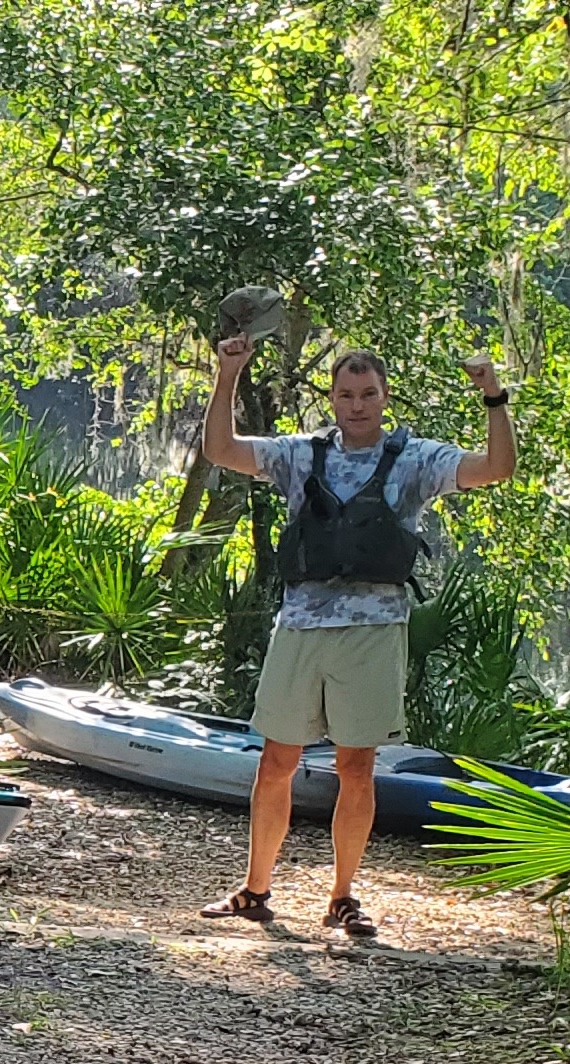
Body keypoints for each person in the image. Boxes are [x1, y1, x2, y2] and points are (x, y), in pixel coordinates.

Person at [190, 338, 516, 941]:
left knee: (356, 767)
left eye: (368, 395)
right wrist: (229, 371)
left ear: (385, 397)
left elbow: (496, 469)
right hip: (301, 626)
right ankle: (255, 889)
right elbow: (220, 449)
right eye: (346, 394)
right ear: (333, 398)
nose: (357, 405)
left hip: (372, 632)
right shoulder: (300, 455)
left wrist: (492, 395)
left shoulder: (415, 459)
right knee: (276, 762)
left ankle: (342, 896)